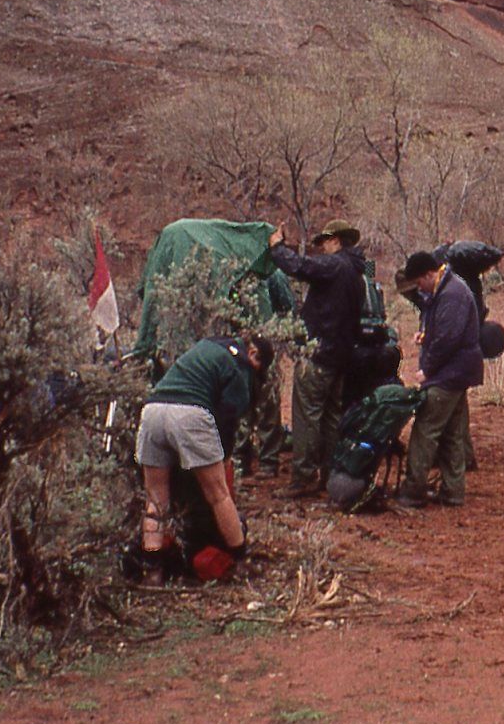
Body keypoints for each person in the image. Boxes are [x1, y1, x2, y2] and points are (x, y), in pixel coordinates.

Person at [134, 334, 271, 573]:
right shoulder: (240, 368)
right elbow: (228, 421)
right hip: (190, 413)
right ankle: (240, 560)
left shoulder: (210, 344)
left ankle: (153, 570)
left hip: (153, 410)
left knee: (155, 500)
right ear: (253, 356)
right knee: (219, 495)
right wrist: (223, 458)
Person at [267, 219, 368, 498]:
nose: (322, 248)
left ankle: (303, 478)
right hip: (340, 357)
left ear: (336, 240)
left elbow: (300, 267)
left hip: (319, 355)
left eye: (324, 242)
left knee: (307, 417)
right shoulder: (357, 273)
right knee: (331, 418)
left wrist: (277, 248)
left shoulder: (335, 265)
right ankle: (328, 474)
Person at [394, 250, 482, 509]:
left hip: (449, 375)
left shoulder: (452, 294)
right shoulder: (446, 290)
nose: (418, 289)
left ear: (429, 274)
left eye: (418, 283)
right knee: (452, 434)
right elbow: (443, 331)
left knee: (425, 431)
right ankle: (453, 492)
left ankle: (413, 491)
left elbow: (447, 340)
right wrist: (425, 335)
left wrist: (428, 370)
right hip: (457, 374)